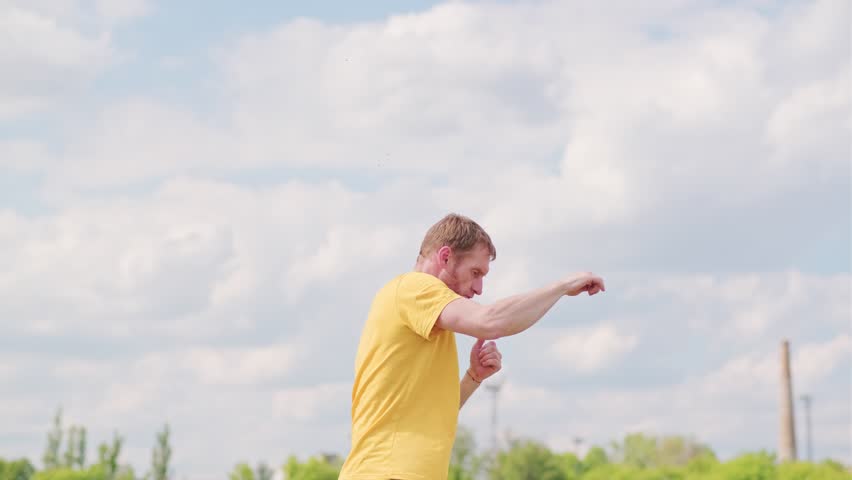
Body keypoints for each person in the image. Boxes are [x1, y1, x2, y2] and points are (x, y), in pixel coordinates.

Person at [338, 213, 605, 480]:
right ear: (445, 257)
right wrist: (561, 286)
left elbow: (434, 414)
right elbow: (490, 321)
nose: (478, 288)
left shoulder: (426, 318)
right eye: (475, 273)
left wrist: (473, 377)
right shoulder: (415, 288)